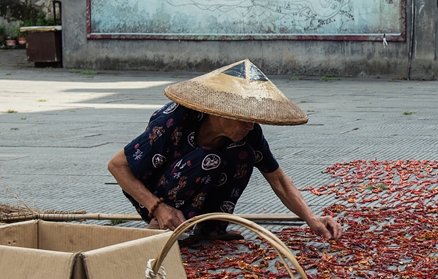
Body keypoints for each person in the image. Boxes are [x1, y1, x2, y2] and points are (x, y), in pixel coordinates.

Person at [107, 59, 342, 243]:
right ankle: (161, 226)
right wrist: (157, 207)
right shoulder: (173, 120)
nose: (250, 126)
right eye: (243, 119)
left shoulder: (250, 132)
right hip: (154, 194)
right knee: (206, 158)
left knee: (244, 154)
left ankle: (210, 228)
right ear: (218, 111)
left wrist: (312, 219)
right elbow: (117, 165)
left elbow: (277, 179)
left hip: (194, 189)